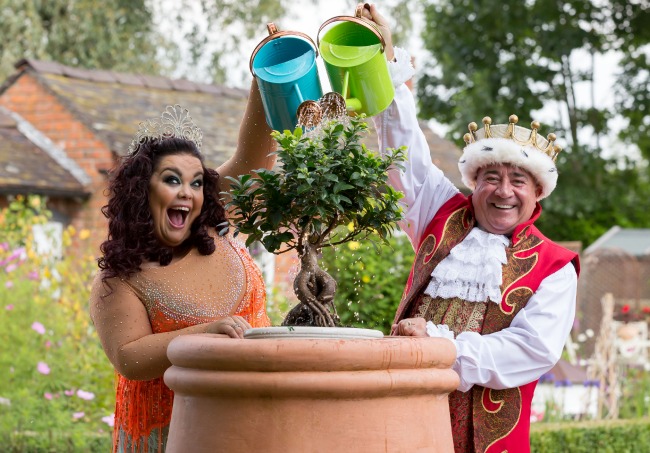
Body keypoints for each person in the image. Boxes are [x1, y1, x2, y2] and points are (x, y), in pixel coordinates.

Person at [360, 4, 579, 452]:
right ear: (473, 183)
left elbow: (531, 350)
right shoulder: (440, 213)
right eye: (490, 178)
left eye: (518, 180)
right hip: (406, 416)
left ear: (537, 193)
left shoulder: (556, 267)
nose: (503, 191)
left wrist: (440, 346)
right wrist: (383, 60)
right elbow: (405, 154)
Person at [89, 80, 276, 452]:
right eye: (172, 180)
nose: (187, 192)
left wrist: (263, 78)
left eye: (195, 182)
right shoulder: (118, 279)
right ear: (142, 191)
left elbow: (252, 155)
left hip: (253, 421)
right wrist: (208, 332)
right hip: (170, 435)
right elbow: (130, 357)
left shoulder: (213, 224)